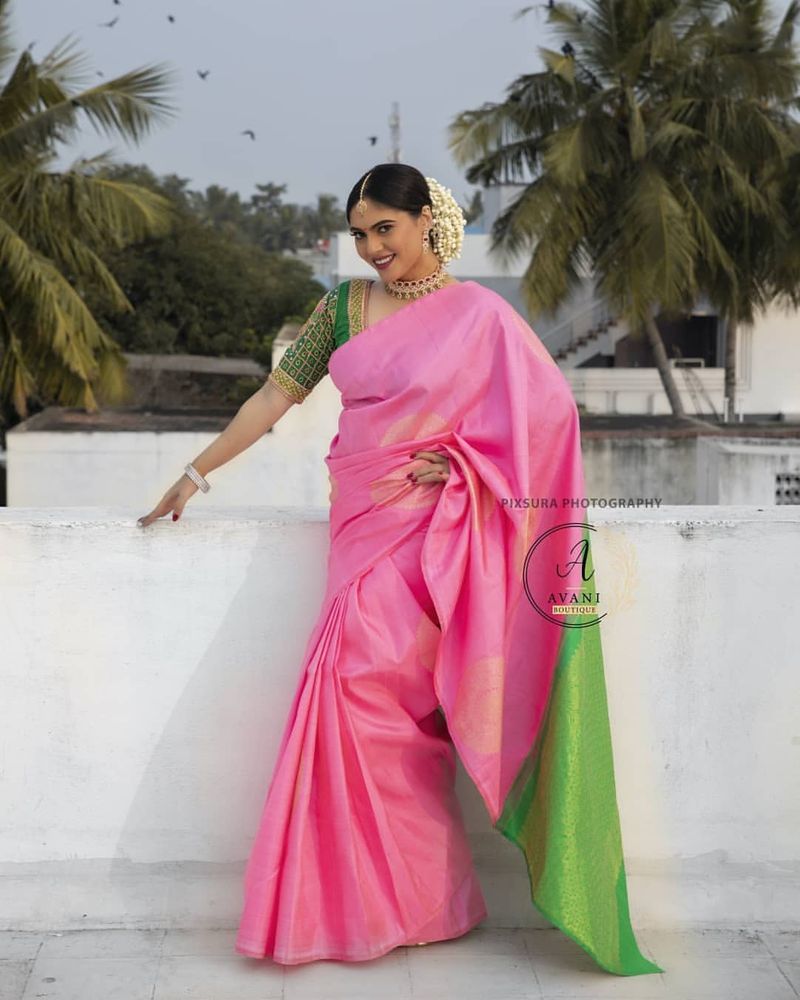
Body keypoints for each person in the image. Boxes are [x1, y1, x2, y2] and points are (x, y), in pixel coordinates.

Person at [136, 163, 663, 977]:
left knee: (385, 708)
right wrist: (195, 474)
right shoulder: (342, 309)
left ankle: (415, 902)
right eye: (359, 234)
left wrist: (464, 462)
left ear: (426, 220)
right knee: (360, 707)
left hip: (435, 539)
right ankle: (394, 905)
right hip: (361, 526)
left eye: (385, 228)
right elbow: (275, 398)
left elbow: (548, 414)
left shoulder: (480, 316)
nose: (372, 247)